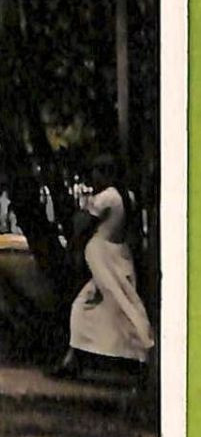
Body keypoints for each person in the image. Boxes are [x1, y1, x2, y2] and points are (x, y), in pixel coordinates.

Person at [49, 156, 155, 378]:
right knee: (105, 304)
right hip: (118, 254)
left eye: (97, 172)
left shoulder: (107, 197)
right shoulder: (128, 197)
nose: (93, 178)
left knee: (115, 304)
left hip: (103, 257)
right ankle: (75, 359)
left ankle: (141, 351)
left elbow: (82, 224)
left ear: (106, 174)